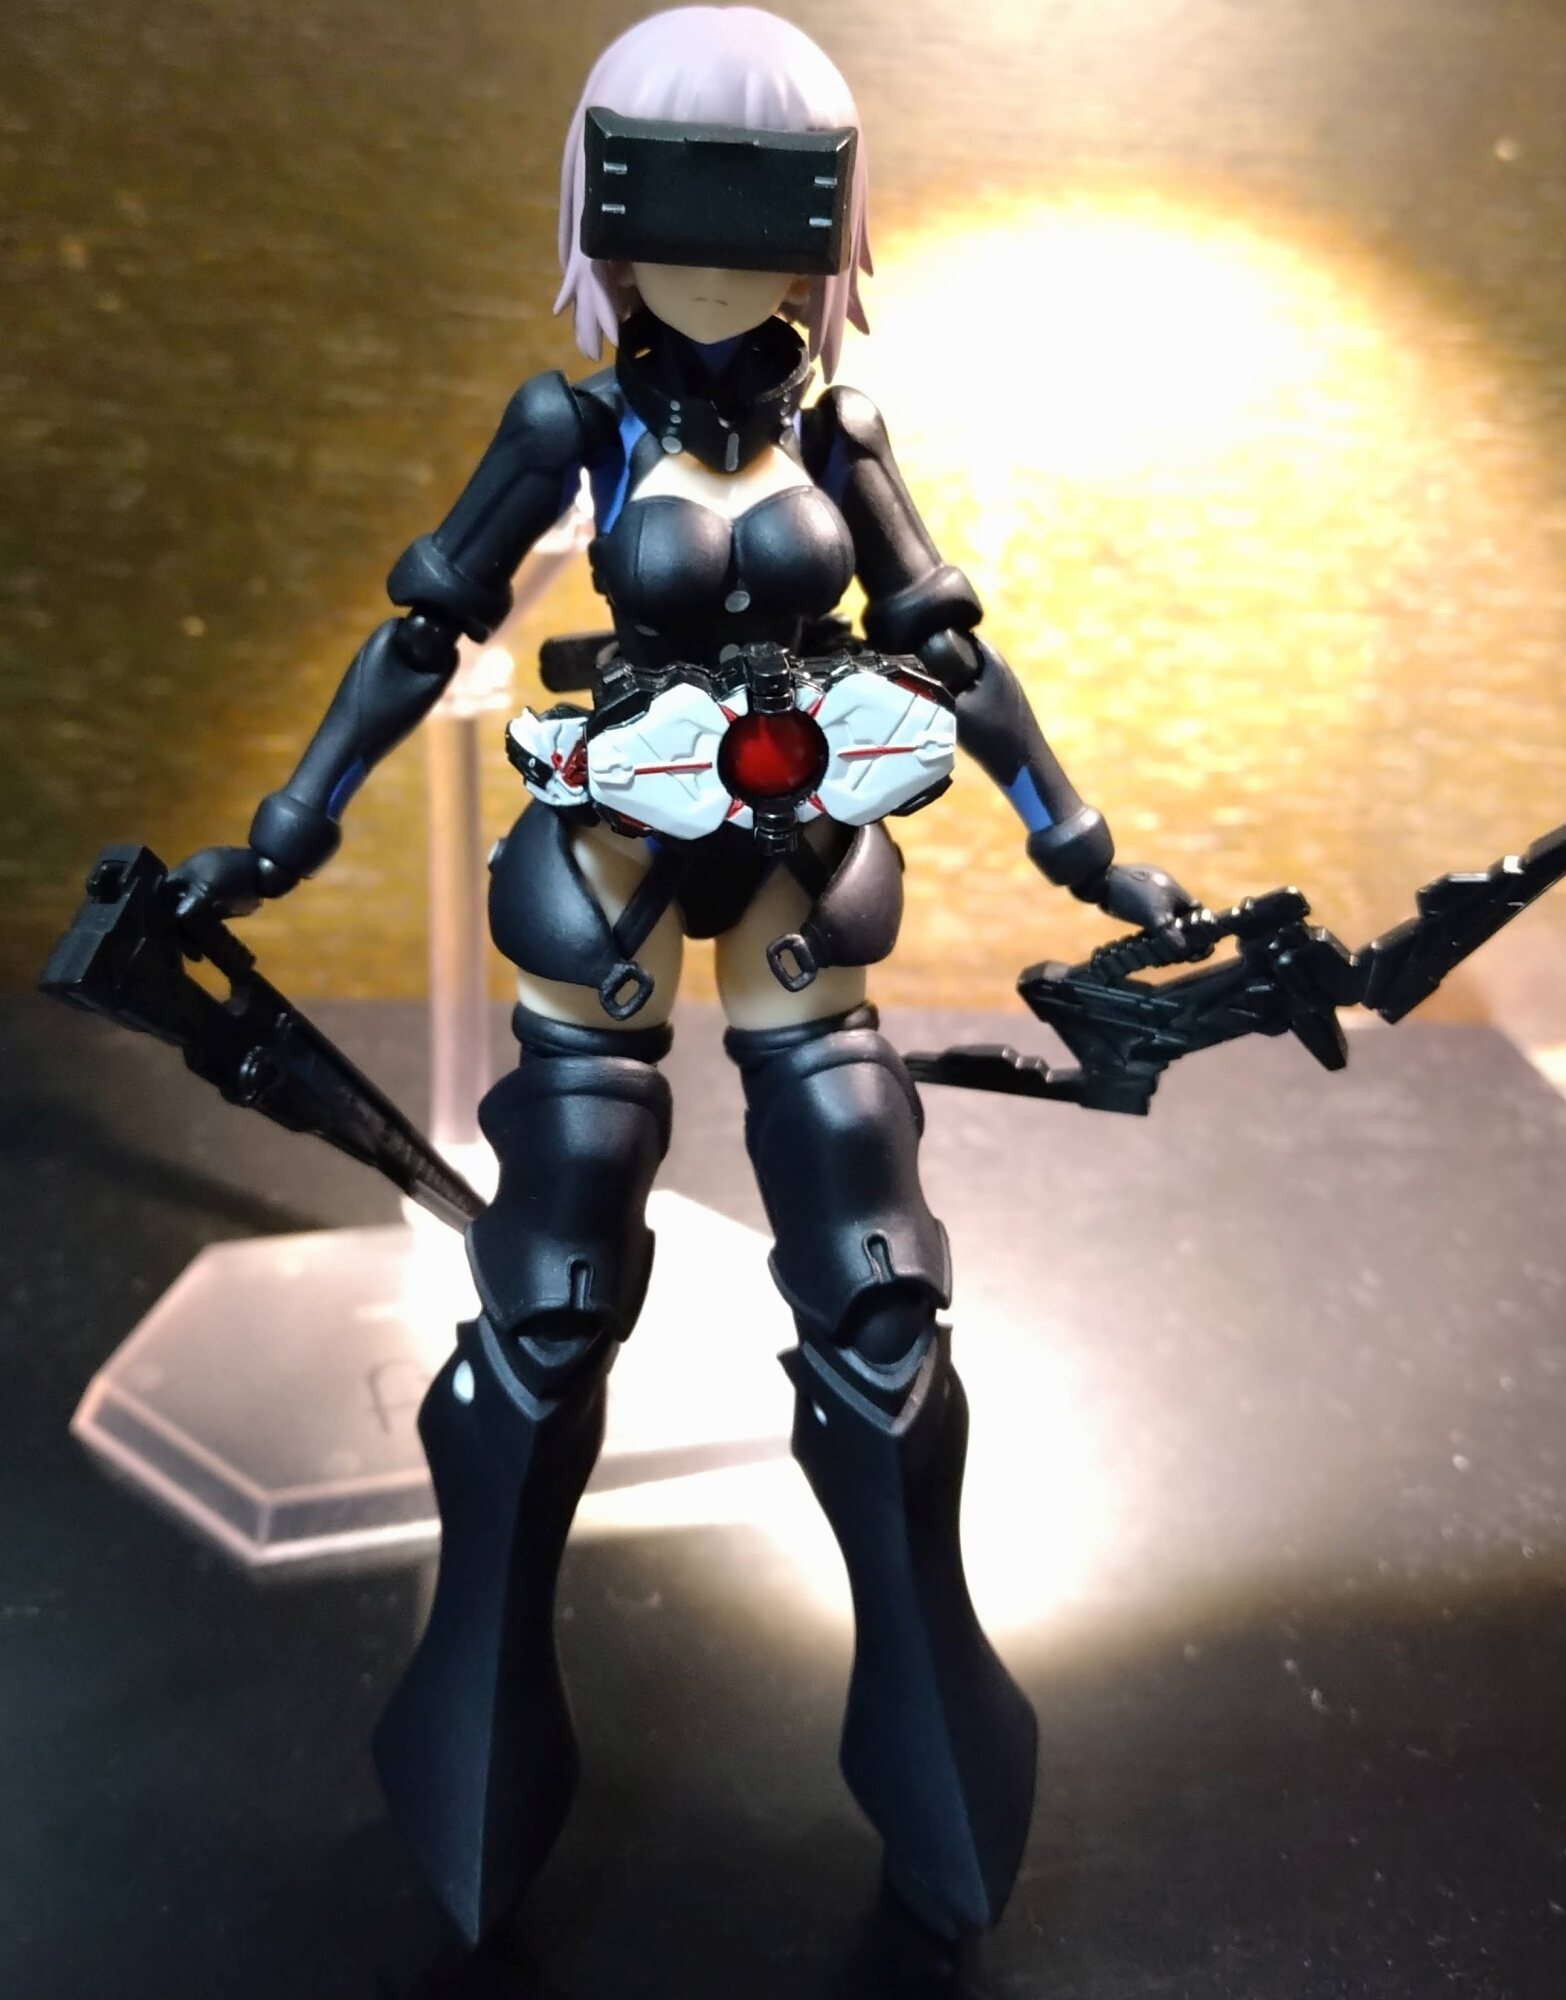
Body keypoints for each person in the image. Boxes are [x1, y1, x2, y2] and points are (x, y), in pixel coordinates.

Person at [170, 6, 1202, 1948]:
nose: (721, 254)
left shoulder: (839, 433)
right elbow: (424, 630)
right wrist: (284, 834)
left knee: (874, 1280)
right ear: (604, 210)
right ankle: (480, 1753)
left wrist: (1081, 844)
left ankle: (933, 1773)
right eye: (672, 198)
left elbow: (947, 649)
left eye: (773, 203)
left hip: (802, 851)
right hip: (619, 845)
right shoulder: (575, 427)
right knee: (554, 1276)